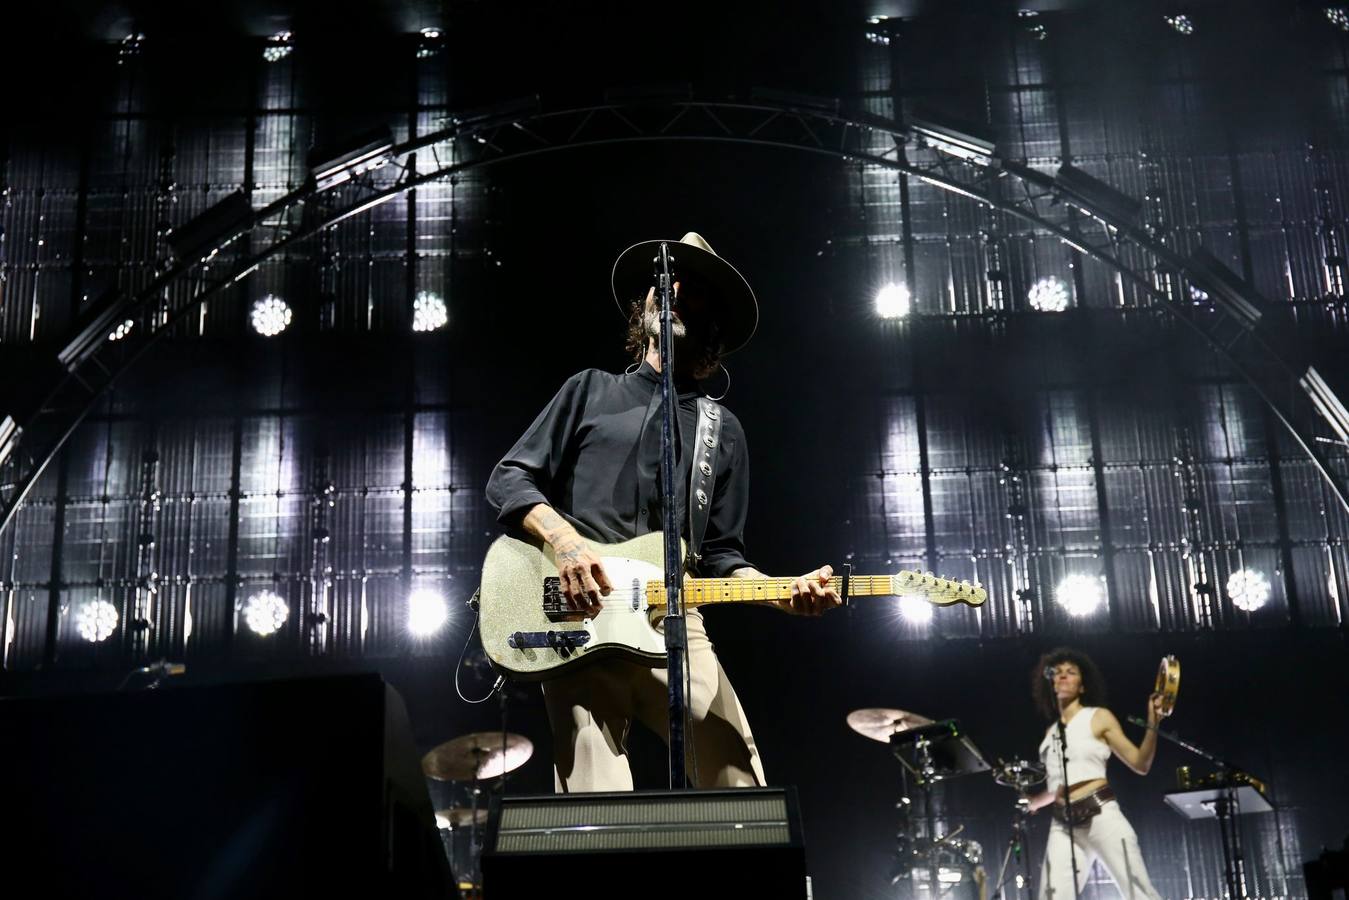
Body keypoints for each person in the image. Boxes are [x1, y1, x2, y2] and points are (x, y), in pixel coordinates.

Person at [485, 232, 841, 792]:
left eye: (693, 288)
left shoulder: (722, 431)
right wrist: (567, 544)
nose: (673, 289)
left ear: (712, 322)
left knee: (740, 790)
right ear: (647, 301)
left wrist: (778, 591)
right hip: (580, 617)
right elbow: (510, 477)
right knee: (595, 812)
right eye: (666, 280)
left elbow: (722, 555)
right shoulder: (590, 390)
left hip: (674, 621)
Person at [1025, 648, 1165, 900]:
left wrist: (1153, 722)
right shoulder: (1050, 733)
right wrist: (1035, 801)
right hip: (1062, 824)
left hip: (1101, 815)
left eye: (1071, 672)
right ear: (1051, 683)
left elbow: (1140, 763)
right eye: (1057, 673)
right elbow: (1060, 786)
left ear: (1082, 686)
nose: (1063, 677)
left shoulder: (1098, 717)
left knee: (1139, 893)